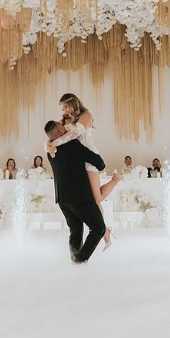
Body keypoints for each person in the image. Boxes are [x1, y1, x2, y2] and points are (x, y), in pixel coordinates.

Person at [46, 93, 122, 250]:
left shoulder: (86, 115)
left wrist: (54, 143)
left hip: (89, 157)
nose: (64, 110)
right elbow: (52, 135)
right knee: (91, 201)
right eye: (61, 108)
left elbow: (74, 134)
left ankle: (116, 179)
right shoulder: (63, 122)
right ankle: (104, 230)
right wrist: (48, 145)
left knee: (97, 198)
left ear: (73, 103)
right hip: (77, 161)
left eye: (65, 106)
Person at [45, 120, 107, 263]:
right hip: (79, 196)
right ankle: (80, 259)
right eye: (61, 125)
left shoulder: (50, 152)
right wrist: (101, 165)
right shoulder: (70, 145)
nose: (64, 125)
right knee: (98, 228)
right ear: (60, 132)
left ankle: (74, 261)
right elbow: (91, 156)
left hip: (62, 199)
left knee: (76, 231)